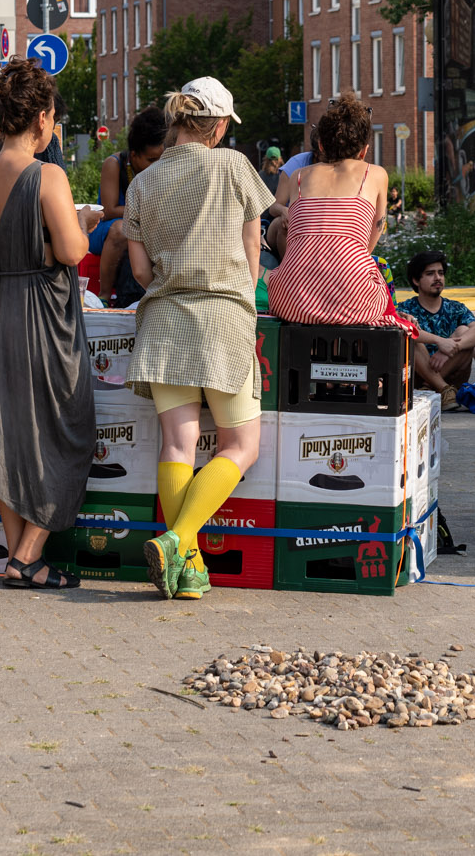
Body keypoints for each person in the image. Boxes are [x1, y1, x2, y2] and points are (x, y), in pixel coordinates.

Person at [123, 78, 271, 601]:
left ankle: (187, 573)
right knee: (241, 445)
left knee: (177, 445)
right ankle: (180, 540)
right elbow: (254, 245)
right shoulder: (234, 166)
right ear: (219, 125)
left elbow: (140, 271)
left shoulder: (141, 183)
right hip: (224, 320)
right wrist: (244, 293)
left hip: (164, 322)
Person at [0, 59, 96, 591]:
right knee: (67, 429)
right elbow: (71, 250)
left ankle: (21, 558)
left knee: (3, 434)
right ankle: (28, 556)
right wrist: (82, 226)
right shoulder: (47, 175)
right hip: (41, 315)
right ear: (42, 118)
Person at [266, 93, 415, 334]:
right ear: (364, 151)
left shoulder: (299, 177)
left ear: (322, 145)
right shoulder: (375, 175)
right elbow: (371, 239)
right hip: (355, 300)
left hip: (291, 299)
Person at [396, 251, 475, 408]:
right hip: (416, 378)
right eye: (430, 274)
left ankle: (431, 388)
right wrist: (439, 341)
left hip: (452, 377)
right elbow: (397, 329)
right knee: (410, 335)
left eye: (440, 273)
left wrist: (449, 349)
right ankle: (442, 388)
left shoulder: (455, 307)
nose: (438, 278)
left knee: (464, 332)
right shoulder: (405, 308)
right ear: (416, 280)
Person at [90, 106, 167, 303]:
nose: (157, 165)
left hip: (144, 227)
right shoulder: (114, 164)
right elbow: (109, 210)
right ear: (133, 155)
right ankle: (105, 295)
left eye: (160, 158)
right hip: (108, 230)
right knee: (122, 229)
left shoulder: (161, 169)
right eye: (151, 160)